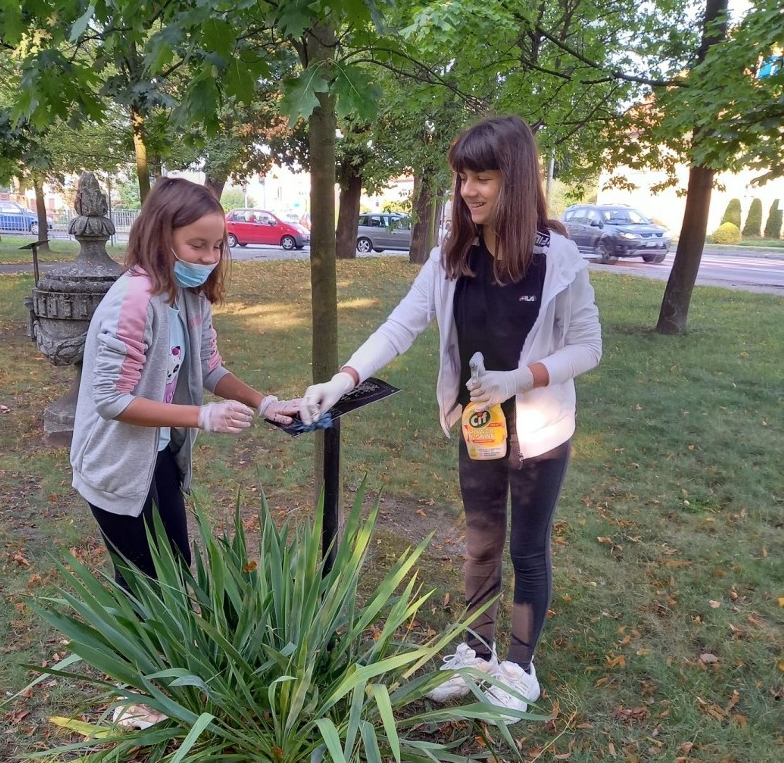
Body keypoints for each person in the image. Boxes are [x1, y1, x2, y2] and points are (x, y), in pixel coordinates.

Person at [300, 116, 602, 721]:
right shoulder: (451, 257)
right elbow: (401, 325)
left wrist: (521, 379)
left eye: (483, 177)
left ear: (514, 181)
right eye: (463, 177)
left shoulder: (557, 257)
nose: (468, 190)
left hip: (539, 428)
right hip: (479, 427)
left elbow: (589, 346)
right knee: (481, 541)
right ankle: (476, 650)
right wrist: (343, 379)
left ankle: (519, 664)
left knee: (528, 548)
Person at [71, 176, 299, 584]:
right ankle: (135, 651)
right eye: (198, 245)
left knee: (176, 568)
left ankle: (164, 648)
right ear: (161, 235)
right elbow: (111, 400)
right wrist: (201, 417)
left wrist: (264, 402)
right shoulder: (134, 302)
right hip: (117, 465)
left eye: (217, 246)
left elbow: (209, 367)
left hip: (157, 455)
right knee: (144, 586)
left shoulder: (189, 295)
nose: (210, 258)